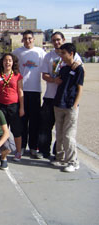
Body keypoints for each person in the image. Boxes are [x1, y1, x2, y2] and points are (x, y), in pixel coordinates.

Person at [37, 32, 82, 159]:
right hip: (50, 96)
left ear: (63, 40)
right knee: (46, 125)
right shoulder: (48, 56)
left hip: (65, 99)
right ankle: (44, 151)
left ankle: (58, 153)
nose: (56, 42)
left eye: (58, 40)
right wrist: (54, 80)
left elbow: (79, 75)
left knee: (62, 130)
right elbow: (44, 75)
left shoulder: (74, 56)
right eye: (54, 40)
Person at [12, 30, 46, 157]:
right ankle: (21, 148)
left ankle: (33, 147)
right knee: (22, 122)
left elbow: (48, 68)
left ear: (34, 39)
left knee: (34, 122)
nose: (28, 40)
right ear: (22, 40)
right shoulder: (17, 52)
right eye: (25, 38)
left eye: (30, 38)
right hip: (21, 91)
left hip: (35, 91)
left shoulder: (40, 52)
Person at [52, 43, 84, 172]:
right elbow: (57, 80)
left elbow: (80, 88)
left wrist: (75, 105)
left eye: (63, 53)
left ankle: (73, 161)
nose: (61, 55)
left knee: (68, 136)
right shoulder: (63, 68)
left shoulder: (79, 69)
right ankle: (60, 158)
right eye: (60, 53)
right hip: (59, 104)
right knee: (59, 134)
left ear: (71, 53)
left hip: (70, 105)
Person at [0, 53, 24, 161]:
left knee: (16, 130)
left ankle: (18, 151)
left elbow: (20, 92)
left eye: (10, 60)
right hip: (1, 106)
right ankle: (3, 151)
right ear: (2, 62)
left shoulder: (17, 75)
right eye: (5, 60)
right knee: (1, 130)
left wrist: (21, 108)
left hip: (14, 106)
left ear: (13, 62)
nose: (7, 62)